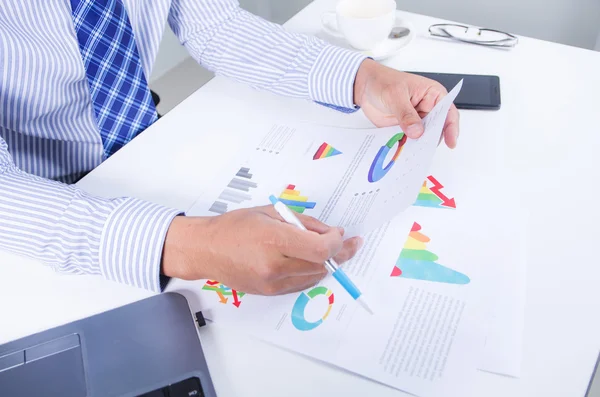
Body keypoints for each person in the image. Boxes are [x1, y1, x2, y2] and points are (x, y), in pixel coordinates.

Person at [0, 0, 459, 296]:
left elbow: (214, 24)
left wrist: (362, 79)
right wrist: (187, 246)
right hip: (39, 208)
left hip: (148, 153)